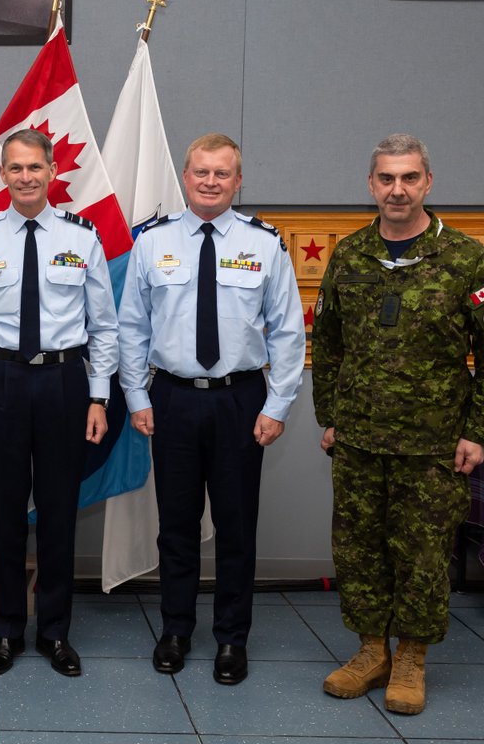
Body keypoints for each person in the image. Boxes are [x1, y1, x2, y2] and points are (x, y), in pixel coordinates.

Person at [313, 133, 484, 714]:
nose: (396, 189)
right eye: (385, 178)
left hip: (433, 446)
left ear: (427, 183)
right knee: (357, 550)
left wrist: (478, 431)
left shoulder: (465, 258)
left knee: (423, 555)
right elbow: (324, 346)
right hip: (357, 442)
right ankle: (371, 649)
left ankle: (411, 657)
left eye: (408, 178)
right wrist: (330, 417)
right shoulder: (349, 256)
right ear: (370, 185)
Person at [118, 133, 305, 685]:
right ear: (185, 174)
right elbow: (132, 325)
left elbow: (288, 333)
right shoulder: (153, 242)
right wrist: (135, 395)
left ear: (238, 180)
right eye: (201, 172)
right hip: (171, 396)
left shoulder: (264, 243)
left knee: (236, 526)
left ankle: (231, 639)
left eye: (222, 173)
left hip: (240, 400)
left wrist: (277, 404)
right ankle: (176, 629)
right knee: (175, 526)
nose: (210, 181)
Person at [0, 128, 118, 677]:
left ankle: (54, 633)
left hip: (64, 383)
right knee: (3, 513)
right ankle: (4, 632)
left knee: (59, 513)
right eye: (15, 168)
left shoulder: (82, 236)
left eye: (35, 167)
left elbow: (104, 329)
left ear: (52, 173)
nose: (25, 177)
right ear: (2, 174)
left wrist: (98, 397)